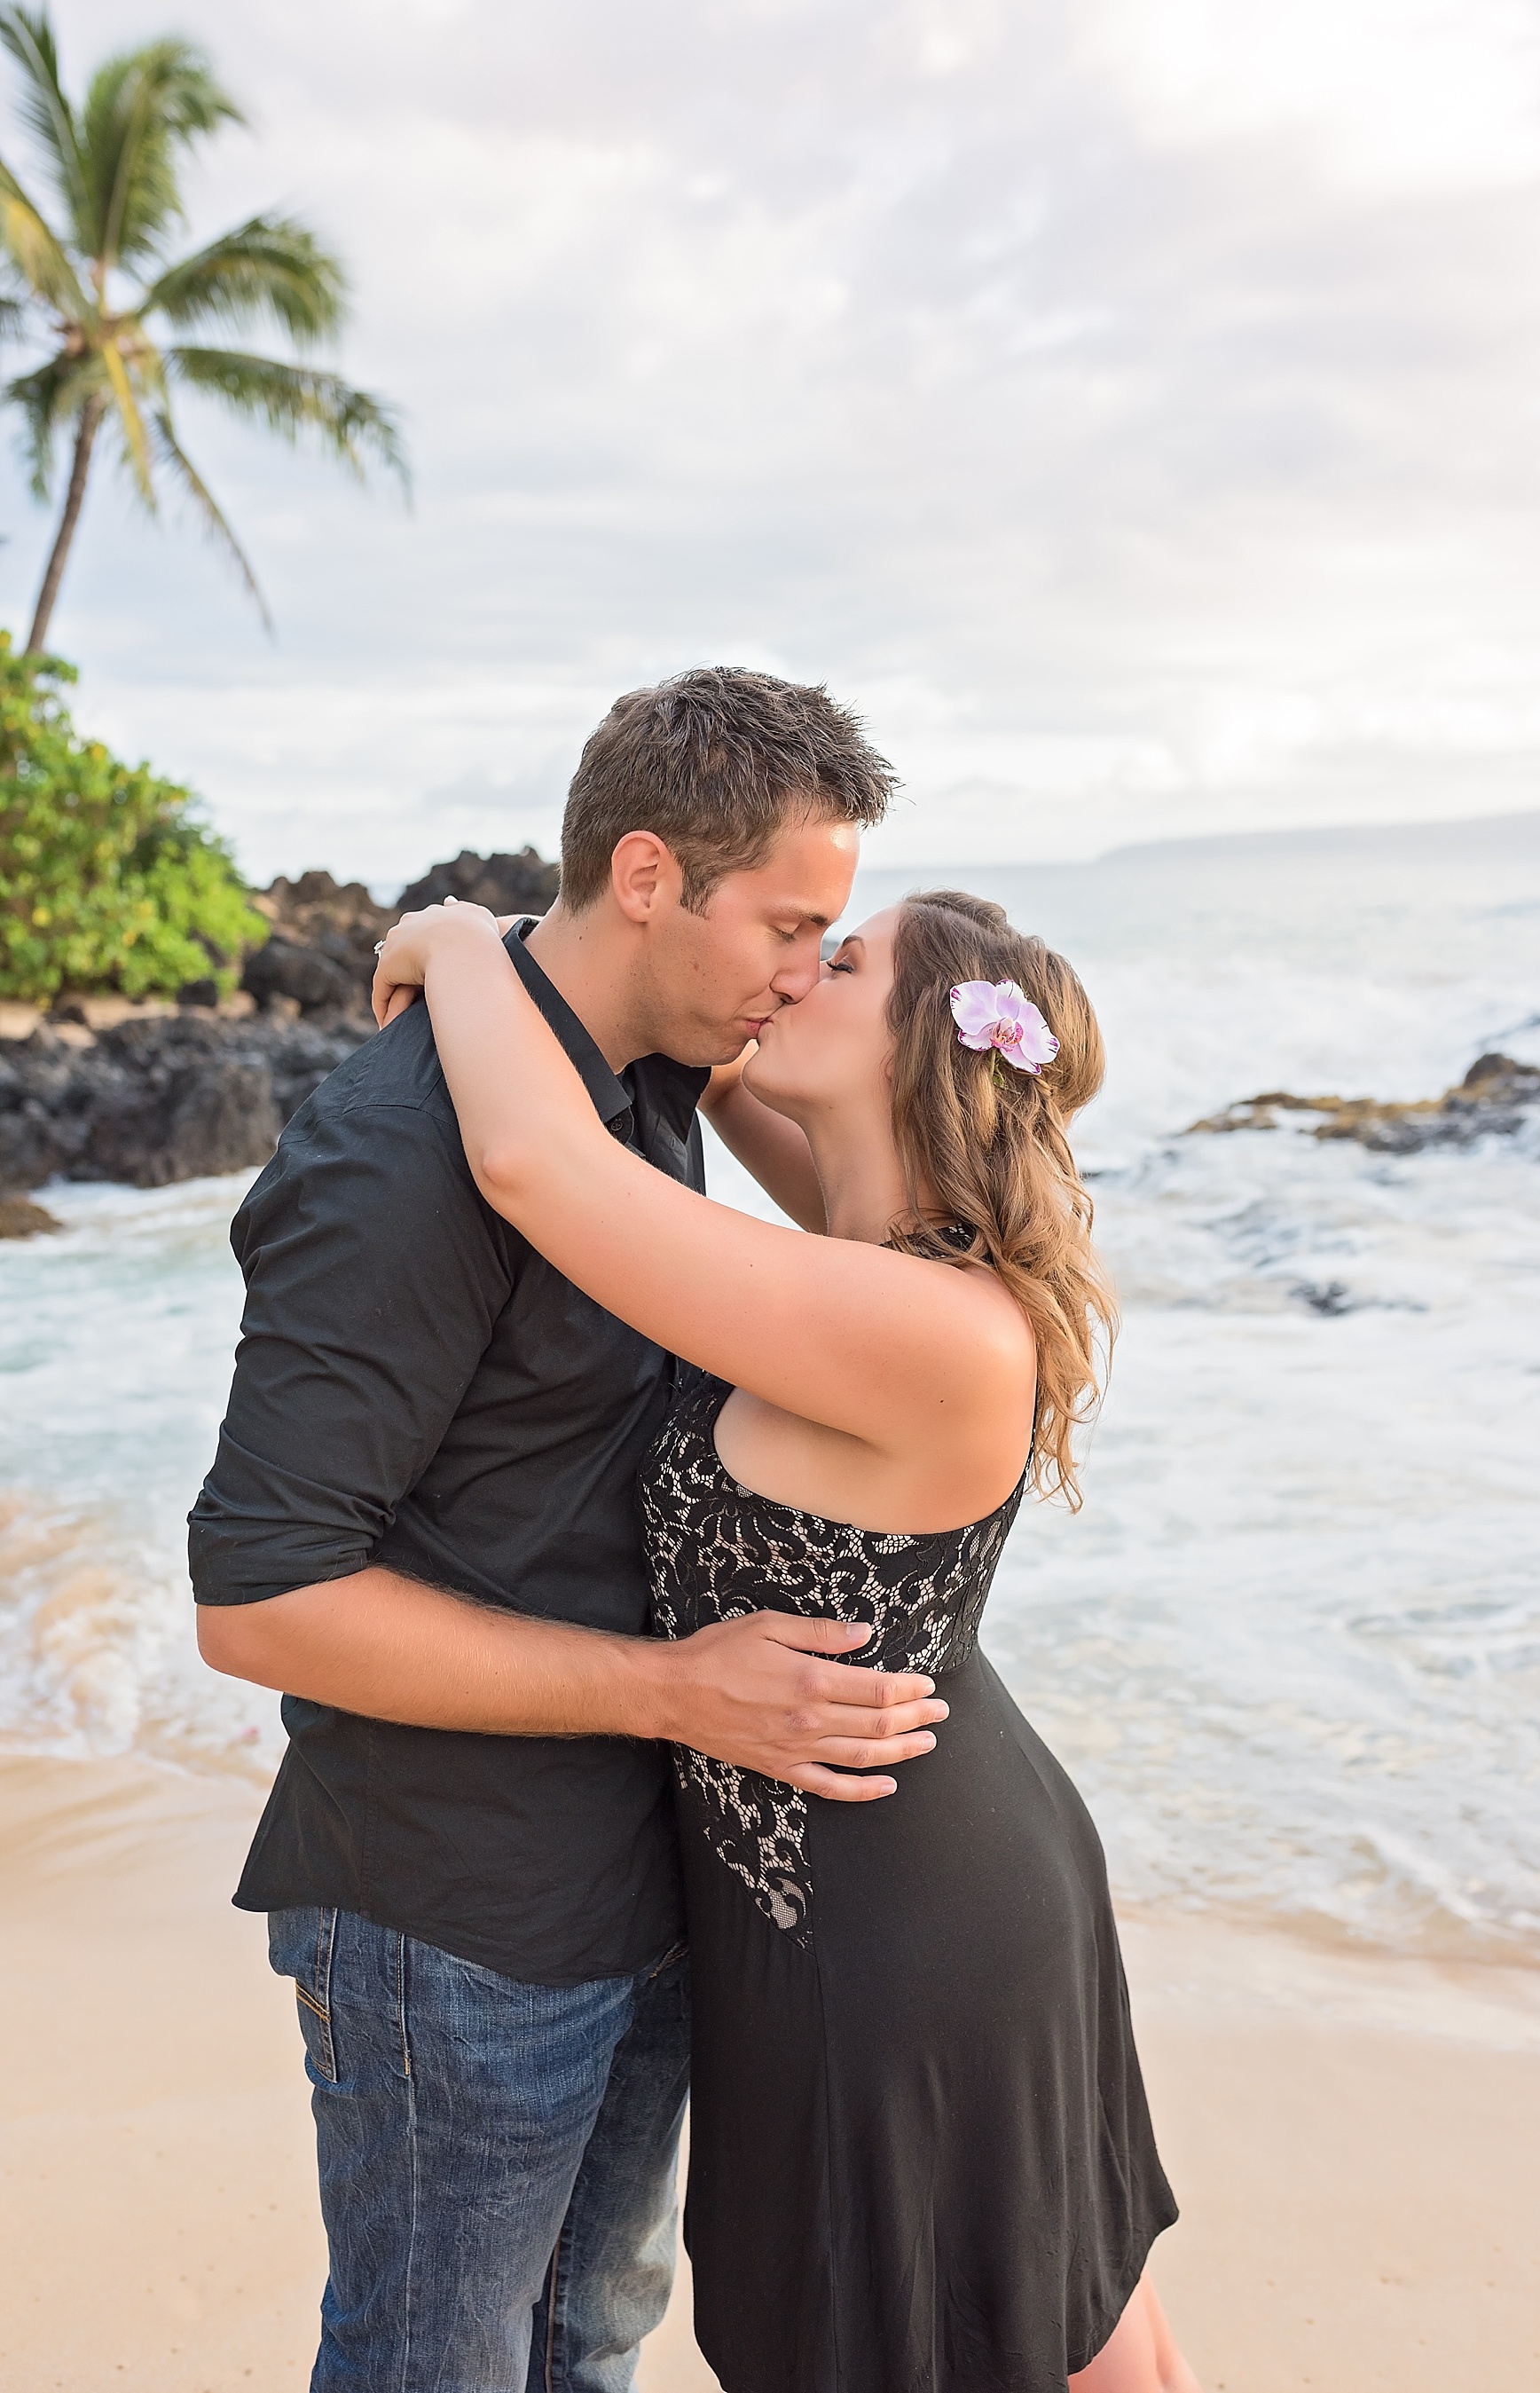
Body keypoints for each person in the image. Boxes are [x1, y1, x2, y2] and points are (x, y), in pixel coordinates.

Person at [189, 668, 953, 2393]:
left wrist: (467, 935)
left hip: (639, 1881)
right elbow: (260, 1599)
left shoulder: (652, 1075)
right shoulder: (398, 1151)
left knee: (585, 2342)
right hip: (452, 1917)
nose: (806, 972)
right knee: (436, 2366)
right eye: (792, 922)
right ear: (649, 873)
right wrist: (678, 1687)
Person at [369, 878, 1198, 2392]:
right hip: (882, 1875)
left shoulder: (933, 1324)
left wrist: (458, 940)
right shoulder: (874, 1251)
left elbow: (533, 1166)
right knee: (1072, 2333)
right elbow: (727, 1065)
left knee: (993, 2338)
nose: (803, 966)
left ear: (909, 1052)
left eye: (847, 955)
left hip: (899, 1929)